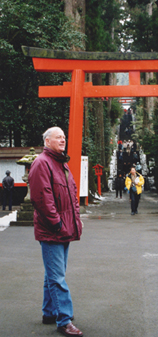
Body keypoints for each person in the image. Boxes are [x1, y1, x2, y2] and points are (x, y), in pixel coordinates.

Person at [28, 127, 83, 337]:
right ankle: (64, 319)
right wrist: (57, 224)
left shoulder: (61, 163)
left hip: (64, 228)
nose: (63, 140)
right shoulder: (42, 162)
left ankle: (50, 312)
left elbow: (73, 194)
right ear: (47, 141)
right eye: (58, 137)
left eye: (64, 137)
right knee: (57, 277)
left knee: (52, 274)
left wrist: (75, 221)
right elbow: (42, 198)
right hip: (53, 230)